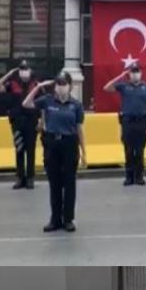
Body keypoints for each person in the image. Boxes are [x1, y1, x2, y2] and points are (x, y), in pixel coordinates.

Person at [23, 72, 87, 233]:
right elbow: (26, 103)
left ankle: (68, 219)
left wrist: (84, 152)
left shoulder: (76, 105)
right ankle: (55, 219)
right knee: (55, 183)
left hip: (69, 144)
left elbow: (79, 129)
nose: (61, 87)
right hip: (52, 144)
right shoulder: (48, 101)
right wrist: (38, 87)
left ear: (70, 86)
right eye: (58, 84)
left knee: (69, 183)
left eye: (64, 84)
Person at [103, 62, 146, 186]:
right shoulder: (123, 86)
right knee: (128, 150)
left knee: (140, 151)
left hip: (142, 121)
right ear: (129, 73)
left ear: (141, 73)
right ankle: (129, 176)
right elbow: (106, 88)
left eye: (137, 71)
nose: (135, 74)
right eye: (132, 72)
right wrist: (121, 76)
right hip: (127, 122)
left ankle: (139, 176)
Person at [0, 60, 41, 189]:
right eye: (21, 69)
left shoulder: (36, 84)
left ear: (30, 70)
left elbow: (43, 105)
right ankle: (20, 178)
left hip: (32, 121)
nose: (24, 72)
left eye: (26, 69)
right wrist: (8, 74)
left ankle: (30, 178)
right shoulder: (13, 84)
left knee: (30, 150)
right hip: (17, 121)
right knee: (19, 149)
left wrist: (41, 121)